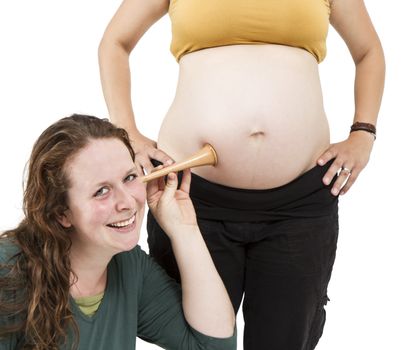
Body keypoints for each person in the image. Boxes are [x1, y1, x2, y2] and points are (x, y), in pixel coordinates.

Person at [98, 0, 385, 349]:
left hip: (298, 206)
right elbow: (115, 41)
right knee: (195, 340)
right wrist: (126, 130)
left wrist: (363, 132)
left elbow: (368, 50)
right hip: (193, 200)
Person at [0, 114, 236, 350]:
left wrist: (185, 230)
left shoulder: (131, 268)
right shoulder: (7, 271)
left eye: (130, 177)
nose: (127, 202)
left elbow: (215, 346)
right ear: (62, 213)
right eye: (102, 191)